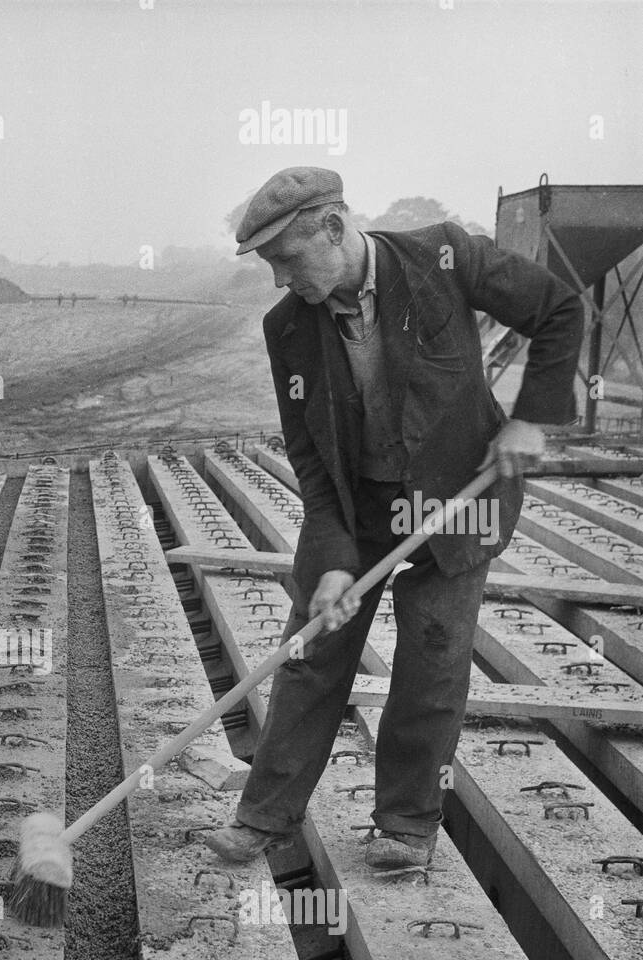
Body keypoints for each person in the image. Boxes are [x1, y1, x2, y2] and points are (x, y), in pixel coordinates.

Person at [208, 167, 582, 870]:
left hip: (458, 495)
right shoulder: (287, 326)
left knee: (432, 660)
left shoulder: (444, 256)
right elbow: (312, 460)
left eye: (287, 259)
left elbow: (558, 309)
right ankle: (263, 817)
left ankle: (405, 826)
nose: (281, 279)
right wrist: (330, 563)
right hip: (363, 506)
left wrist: (530, 419)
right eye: (269, 266)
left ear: (332, 226)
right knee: (312, 652)